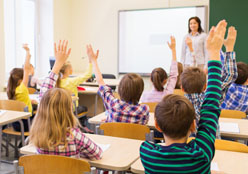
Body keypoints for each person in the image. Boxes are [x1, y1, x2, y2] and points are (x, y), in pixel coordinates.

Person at [140, 20, 226, 174]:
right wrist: (214, 53)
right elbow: (211, 106)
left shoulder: (147, 154)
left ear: (157, 125)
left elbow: (211, 106)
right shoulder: (201, 154)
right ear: (194, 126)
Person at [29, 40, 102, 160]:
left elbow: (44, 96)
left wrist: (57, 64)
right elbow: (97, 154)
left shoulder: (38, 136)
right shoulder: (75, 136)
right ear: (68, 109)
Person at [181, 26, 238, 127]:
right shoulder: (210, 100)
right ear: (205, 86)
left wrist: (191, 49)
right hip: (211, 142)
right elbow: (230, 75)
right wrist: (229, 48)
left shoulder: (176, 106)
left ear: (182, 88)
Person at [87, 45, 149, 125]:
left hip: (111, 137)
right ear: (140, 91)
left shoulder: (113, 104)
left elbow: (100, 82)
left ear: (120, 89)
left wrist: (94, 60)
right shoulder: (144, 110)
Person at [140, 36, 178, 103]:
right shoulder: (168, 95)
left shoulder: (144, 96)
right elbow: (173, 75)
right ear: (165, 80)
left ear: (151, 80)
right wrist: (173, 50)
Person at [7, 44, 34, 132]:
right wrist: (27, 52)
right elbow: (26, 68)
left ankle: (24, 142)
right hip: (26, 124)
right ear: (20, 80)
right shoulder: (22, 88)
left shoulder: (10, 90)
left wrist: (29, 101)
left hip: (16, 124)